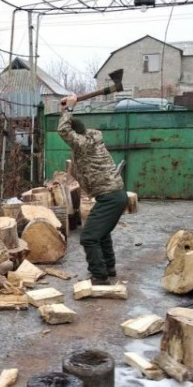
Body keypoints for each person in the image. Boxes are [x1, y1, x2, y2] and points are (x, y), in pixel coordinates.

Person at [57, 94, 128, 285]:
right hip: (113, 195)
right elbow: (67, 127)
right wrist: (64, 110)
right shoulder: (89, 139)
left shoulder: (84, 144)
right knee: (101, 233)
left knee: (88, 237)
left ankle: (99, 276)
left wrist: (70, 109)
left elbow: (63, 130)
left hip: (111, 197)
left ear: (76, 135)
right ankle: (109, 267)